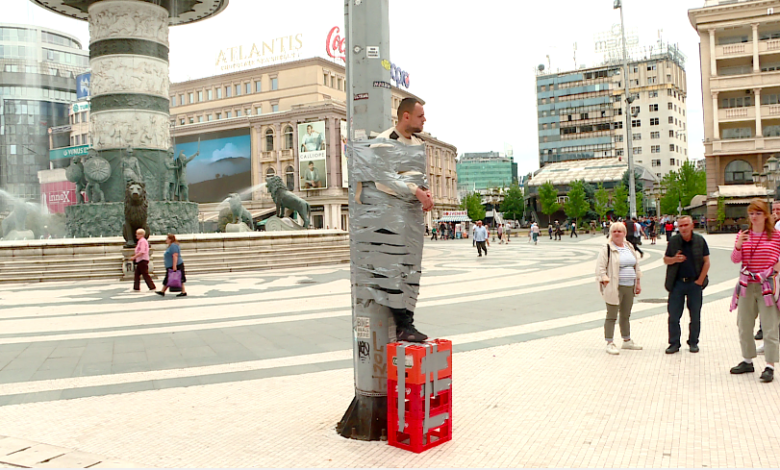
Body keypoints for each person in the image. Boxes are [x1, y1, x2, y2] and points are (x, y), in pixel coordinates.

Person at [353, 97, 433, 342]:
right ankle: (403, 322)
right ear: (405, 116)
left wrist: (426, 194)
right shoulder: (384, 142)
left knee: (411, 268)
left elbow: (421, 176)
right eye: (420, 116)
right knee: (391, 267)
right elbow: (383, 179)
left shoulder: (418, 143)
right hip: (389, 213)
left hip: (411, 215)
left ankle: (407, 320)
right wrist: (415, 191)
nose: (425, 120)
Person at [729, 199, 780, 383]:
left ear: (765, 215)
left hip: (766, 285)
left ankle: (770, 365)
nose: (754, 217)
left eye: (758, 213)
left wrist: (773, 271)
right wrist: (738, 245)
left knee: (769, 325)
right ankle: (747, 360)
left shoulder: (775, 236)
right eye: (751, 213)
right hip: (746, 285)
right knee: (744, 324)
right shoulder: (744, 235)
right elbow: (735, 259)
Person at [664, 216, 710, 354]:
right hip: (677, 283)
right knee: (673, 315)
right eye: (680, 226)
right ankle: (674, 343)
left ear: (691, 226)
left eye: (685, 225)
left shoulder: (700, 241)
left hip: (694, 283)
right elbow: (666, 260)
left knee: (695, 315)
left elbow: (706, 261)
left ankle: (693, 342)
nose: (683, 228)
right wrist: (674, 259)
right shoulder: (673, 241)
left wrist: (700, 281)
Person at [595, 222, 643, 355]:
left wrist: (637, 283)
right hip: (614, 286)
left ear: (624, 233)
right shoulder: (607, 248)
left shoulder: (629, 247)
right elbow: (600, 267)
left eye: (620, 231)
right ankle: (610, 342)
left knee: (625, 315)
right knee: (611, 315)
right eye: (614, 231)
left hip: (629, 285)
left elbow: (636, 266)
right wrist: (604, 279)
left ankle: (626, 340)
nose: (617, 233)